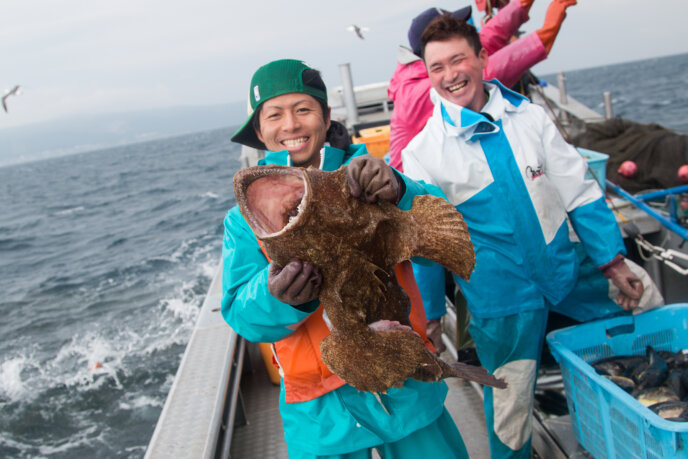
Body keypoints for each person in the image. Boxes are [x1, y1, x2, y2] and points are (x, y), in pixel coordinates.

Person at [400, 14, 657, 458]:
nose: (449, 75)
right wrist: (430, 316)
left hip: (566, 269)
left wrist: (613, 262)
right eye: (436, 67)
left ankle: (638, 433)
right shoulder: (422, 153)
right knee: (510, 410)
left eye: (458, 59)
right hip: (501, 300)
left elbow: (579, 191)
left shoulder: (530, 116)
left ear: (482, 58)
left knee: (646, 304)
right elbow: (426, 246)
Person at [221, 58, 469, 458]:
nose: (290, 125)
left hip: (405, 381)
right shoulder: (244, 220)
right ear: (259, 131)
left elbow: (442, 242)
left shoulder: (372, 180)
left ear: (325, 116)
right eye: (274, 115)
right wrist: (278, 296)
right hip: (320, 414)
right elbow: (242, 316)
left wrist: (399, 189)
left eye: (303, 109)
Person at [388, 0, 577, 173]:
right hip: (419, 192)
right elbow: (488, 71)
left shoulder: (420, 69)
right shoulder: (417, 91)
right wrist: (550, 27)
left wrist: (521, 4)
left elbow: (490, 35)